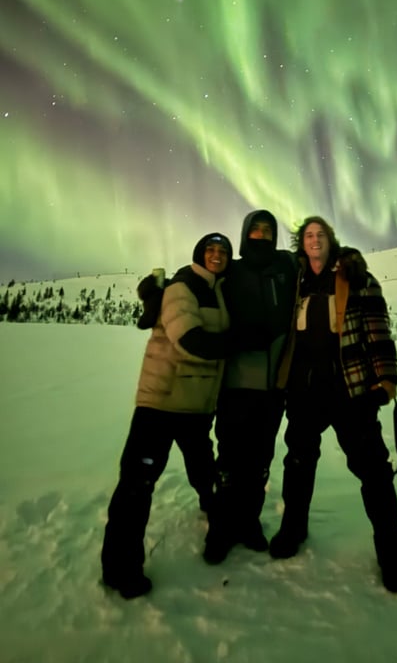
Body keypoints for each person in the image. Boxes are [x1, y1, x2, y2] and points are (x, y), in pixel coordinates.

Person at [202, 210, 368, 565]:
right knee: (229, 459)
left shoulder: (286, 265)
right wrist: (161, 290)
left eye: (268, 230)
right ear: (245, 233)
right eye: (256, 230)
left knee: (260, 460)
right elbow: (199, 279)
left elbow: (321, 255)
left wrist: (350, 257)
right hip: (235, 384)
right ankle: (221, 528)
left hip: (275, 386)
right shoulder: (232, 270)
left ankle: (248, 522)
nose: (262, 235)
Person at [269, 216, 397, 595]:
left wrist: (386, 379)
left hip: (350, 389)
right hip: (304, 390)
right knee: (298, 461)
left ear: (330, 240)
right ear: (302, 243)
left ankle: (391, 550)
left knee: (373, 469)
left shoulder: (355, 277)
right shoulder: (294, 280)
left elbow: (377, 329)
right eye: (309, 235)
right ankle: (293, 527)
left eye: (321, 234)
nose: (315, 240)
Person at [101, 233, 233, 599]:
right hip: (160, 405)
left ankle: (216, 520)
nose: (217, 255)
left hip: (196, 407)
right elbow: (189, 340)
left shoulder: (220, 289)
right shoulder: (182, 287)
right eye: (210, 249)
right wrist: (239, 341)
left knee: (204, 472)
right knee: (136, 485)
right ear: (198, 254)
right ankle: (120, 568)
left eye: (223, 251)